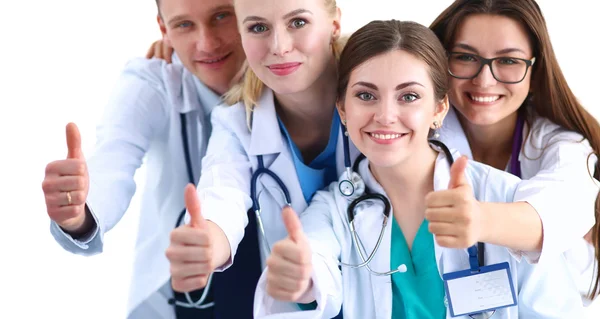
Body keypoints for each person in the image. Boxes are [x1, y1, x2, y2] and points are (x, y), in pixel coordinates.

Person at [254, 19, 585, 319]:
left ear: (439, 108)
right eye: (366, 95)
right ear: (342, 109)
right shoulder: (333, 208)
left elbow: (556, 311)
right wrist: (301, 276)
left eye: (409, 96)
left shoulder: (504, 198)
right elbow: (316, 262)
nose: (385, 115)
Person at [40, 0, 245, 318]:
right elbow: (115, 155)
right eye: (183, 25)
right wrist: (79, 213)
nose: (207, 43)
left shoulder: (297, 79)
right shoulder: (153, 79)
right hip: (179, 304)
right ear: (164, 31)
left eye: (221, 16)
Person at [165, 0, 352, 317]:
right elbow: (221, 195)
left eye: (297, 23)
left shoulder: (383, 99)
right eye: (258, 28)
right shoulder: (237, 124)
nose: (279, 47)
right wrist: (207, 242)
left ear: (334, 24)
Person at [429, 0, 600, 304]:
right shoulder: (418, 133)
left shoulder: (563, 147)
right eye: (465, 57)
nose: (484, 80)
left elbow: (561, 211)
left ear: (535, 69)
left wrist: (478, 219)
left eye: (508, 61)